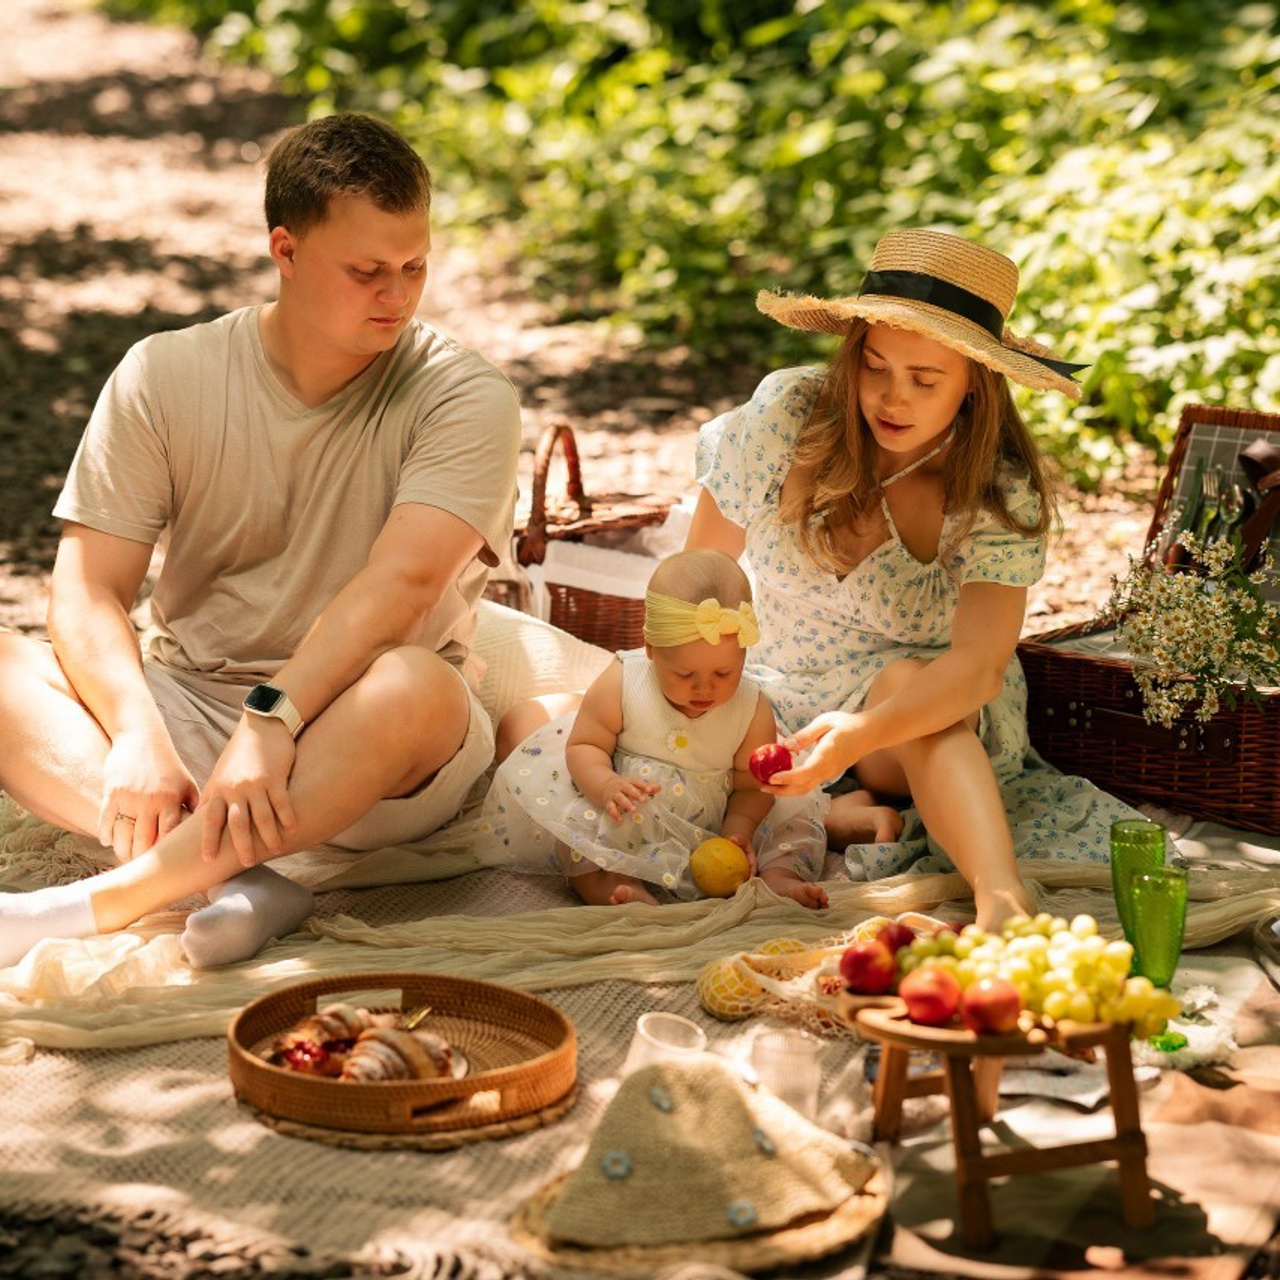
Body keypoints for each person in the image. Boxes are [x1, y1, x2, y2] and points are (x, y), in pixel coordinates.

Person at [0, 112, 521, 970]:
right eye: (367, 272)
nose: (397, 295)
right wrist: (135, 732)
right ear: (284, 250)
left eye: (414, 267)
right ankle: (239, 881)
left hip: (366, 743)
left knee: (417, 685)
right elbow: (86, 588)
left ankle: (108, 898)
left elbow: (403, 588)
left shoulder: (466, 396)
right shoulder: (162, 374)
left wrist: (272, 718)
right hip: (190, 706)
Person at [687, 227, 1086, 930]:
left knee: (907, 684)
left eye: (925, 380)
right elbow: (698, 582)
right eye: (875, 367)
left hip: (916, 714)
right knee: (617, 736)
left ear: (974, 384)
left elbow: (978, 669)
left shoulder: (995, 488)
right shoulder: (787, 416)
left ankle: (1000, 893)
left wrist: (861, 734)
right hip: (772, 690)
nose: (891, 400)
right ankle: (831, 812)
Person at [480, 549, 834, 907]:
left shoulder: (751, 708)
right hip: (630, 810)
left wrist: (737, 830)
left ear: (744, 655)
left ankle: (778, 879)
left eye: (724, 673)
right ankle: (612, 884)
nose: (704, 689)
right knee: (579, 835)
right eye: (685, 675)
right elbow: (584, 746)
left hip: (717, 819)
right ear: (650, 649)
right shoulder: (623, 681)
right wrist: (606, 785)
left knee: (791, 824)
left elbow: (749, 787)